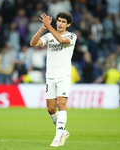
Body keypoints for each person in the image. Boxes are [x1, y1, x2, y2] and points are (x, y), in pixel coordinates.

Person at [30, 12, 77, 147]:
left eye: (63, 22)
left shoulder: (71, 36)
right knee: (51, 109)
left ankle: (57, 138)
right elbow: (33, 43)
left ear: (68, 24)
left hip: (64, 76)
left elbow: (61, 40)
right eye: (58, 21)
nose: (60, 23)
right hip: (50, 76)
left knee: (61, 104)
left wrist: (49, 26)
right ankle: (63, 131)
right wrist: (42, 29)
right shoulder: (49, 35)